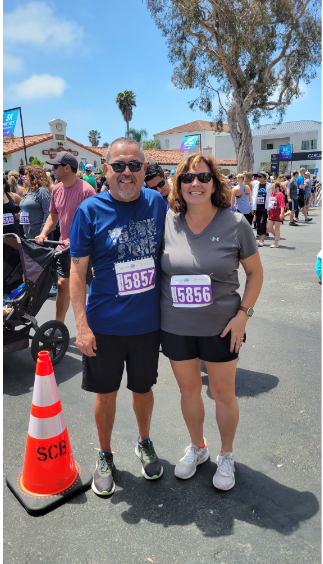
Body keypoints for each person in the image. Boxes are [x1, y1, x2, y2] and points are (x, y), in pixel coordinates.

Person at [69, 137, 168, 496]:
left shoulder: (157, 203)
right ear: (105, 169)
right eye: (119, 166)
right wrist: (81, 325)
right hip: (104, 327)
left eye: (135, 165)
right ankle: (105, 453)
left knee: (143, 389)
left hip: (146, 325)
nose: (127, 173)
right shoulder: (89, 212)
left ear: (145, 169)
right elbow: (77, 273)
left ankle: (144, 442)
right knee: (105, 393)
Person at [159, 153, 263, 490]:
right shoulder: (168, 221)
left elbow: (255, 274)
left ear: (215, 183)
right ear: (179, 184)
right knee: (188, 391)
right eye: (187, 178)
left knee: (222, 393)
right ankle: (198, 447)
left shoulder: (235, 224)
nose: (195, 184)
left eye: (203, 177)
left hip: (221, 326)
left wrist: (243, 316)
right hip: (176, 325)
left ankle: (227, 454)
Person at [35, 151, 96, 323]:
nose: (52, 169)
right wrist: (43, 233)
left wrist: (78, 238)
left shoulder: (87, 191)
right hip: (64, 248)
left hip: (86, 250)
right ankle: (57, 328)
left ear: (67, 168)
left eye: (55, 166)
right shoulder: (56, 189)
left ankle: (92, 327)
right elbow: (53, 216)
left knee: (92, 289)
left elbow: (96, 224)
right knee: (62, 286)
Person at [19, 166, 51, 239]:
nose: (24, 176)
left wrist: (43, 233)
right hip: (28, 233)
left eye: (26, 174)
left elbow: (48, 213)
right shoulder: (28, 191)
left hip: (39, 234)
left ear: (34, 175)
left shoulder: (42, 191)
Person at [251, 171, 272, 246]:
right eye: (257, 177)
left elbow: (269, 197)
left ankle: (262, 239)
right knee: (257, 222)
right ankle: (260, 238)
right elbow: (254, 197)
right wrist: (253, 207)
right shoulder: (256, 185)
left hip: (265, 206)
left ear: (263, 177)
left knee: (262, 222)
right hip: (258, 206)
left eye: (259, 177)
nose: (258, 178)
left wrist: (269, 208)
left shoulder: (268, 185)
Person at [267, 182, 285, 248]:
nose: (271, 189)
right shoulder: (272, 194)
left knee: (277, 228)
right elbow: (271, 202)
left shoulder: (281, 195)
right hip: (272, 213)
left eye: (272, 188)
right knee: (269, 227)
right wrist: (268, 210)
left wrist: (281, 213)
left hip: (278, 213)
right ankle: (277, 236)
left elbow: (282, 204)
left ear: (277, 188)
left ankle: (276, 242)